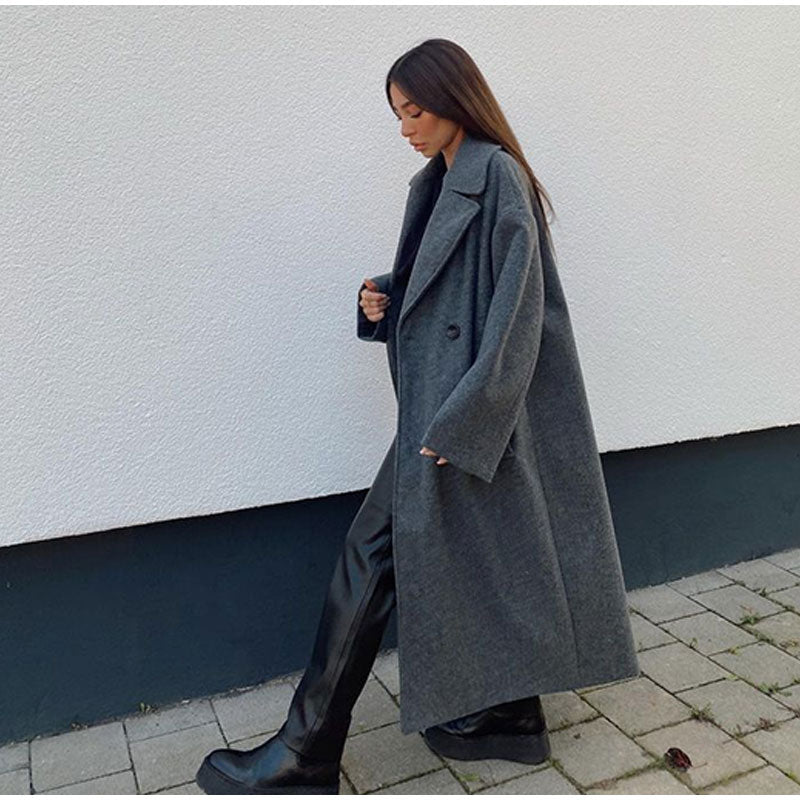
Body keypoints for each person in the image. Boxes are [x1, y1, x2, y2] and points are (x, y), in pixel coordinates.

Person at [196, 37, 640, 795]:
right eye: (397, 114)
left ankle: (306, 752)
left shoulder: (496, 173)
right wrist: (386, 295)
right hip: (450, 406)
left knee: (373, 553)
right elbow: (446, 283)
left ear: (454, 100)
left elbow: (520, 308)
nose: (405, 127)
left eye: (415, 110)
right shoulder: (436, 181)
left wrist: (466, 421)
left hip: (467, 413)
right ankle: (507, 716)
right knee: (483, 555)